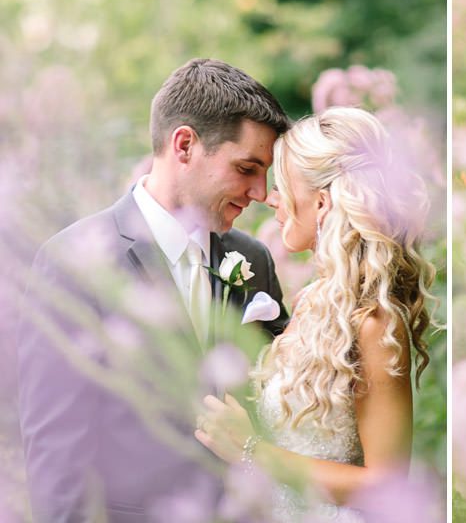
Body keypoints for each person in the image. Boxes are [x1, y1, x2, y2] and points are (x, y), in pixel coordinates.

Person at [16, 58, 292, 522]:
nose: (260, 191)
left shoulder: (253, 261)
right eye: (247, 168)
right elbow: (56, 452)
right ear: (184, 145)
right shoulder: (74, 264)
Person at [195, 106, 435, 522]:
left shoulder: (375, 322)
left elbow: (386, 484)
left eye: (283, 185)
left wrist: (253, 450)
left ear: (322, 203)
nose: (270, 198)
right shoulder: (310, 303)